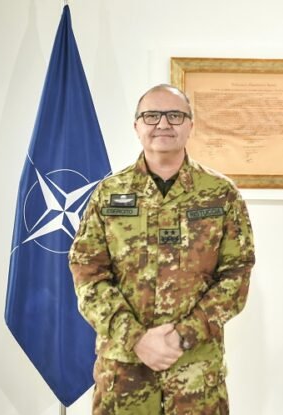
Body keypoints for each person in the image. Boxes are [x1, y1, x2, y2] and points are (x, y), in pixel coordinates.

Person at [69, 84, 255, 414]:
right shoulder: (108, 193)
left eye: (175, 116)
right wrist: (136, 338)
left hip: (195, 375)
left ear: (190, 125)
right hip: (124, 374)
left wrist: (183, 336)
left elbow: (236, 275)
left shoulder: (221, 194)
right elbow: (88, 275)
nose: (163, 124)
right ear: (137, 125)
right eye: (151, 116)